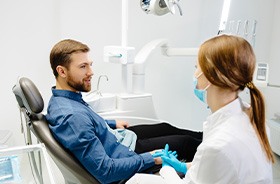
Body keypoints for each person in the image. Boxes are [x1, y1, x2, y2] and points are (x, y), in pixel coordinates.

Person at [45, 39, 202, 184]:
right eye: (83, 66)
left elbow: (87, 124)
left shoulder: (63, 100)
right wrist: (150, 159)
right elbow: (105, 171)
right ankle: (217, 153)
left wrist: (112, 123)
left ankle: (208, 134)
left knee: (165, 127)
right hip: (124, 154)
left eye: (90, 64)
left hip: (117, 139)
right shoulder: (72, 116)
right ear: (62, 71)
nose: (91, 72)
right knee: (185, 143)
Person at [126, 34, 274, 184]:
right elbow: (215, 170)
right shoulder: (252, 117)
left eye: (197, 68)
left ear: (212, 77)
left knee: (136, 181)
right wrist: (184, 166)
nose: (195, 74)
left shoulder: (218, 145)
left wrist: (167, 170)